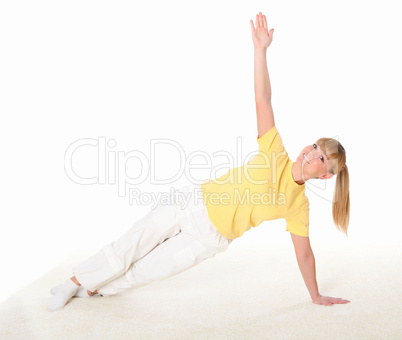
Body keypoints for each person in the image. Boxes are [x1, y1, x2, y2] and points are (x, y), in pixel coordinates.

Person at [48, 11, 351, 311]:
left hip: (209, 239)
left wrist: (315, 295)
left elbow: (305, 255)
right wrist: (260, 51)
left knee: (147, 271)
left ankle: (92, 289)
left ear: (325, 176)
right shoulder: (275, 150)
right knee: (132, 243)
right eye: (314, 146)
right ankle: (73, 282)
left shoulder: (298, 206)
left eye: (320, 157)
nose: (310, 153)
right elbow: (263, 99)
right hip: (191, 203)